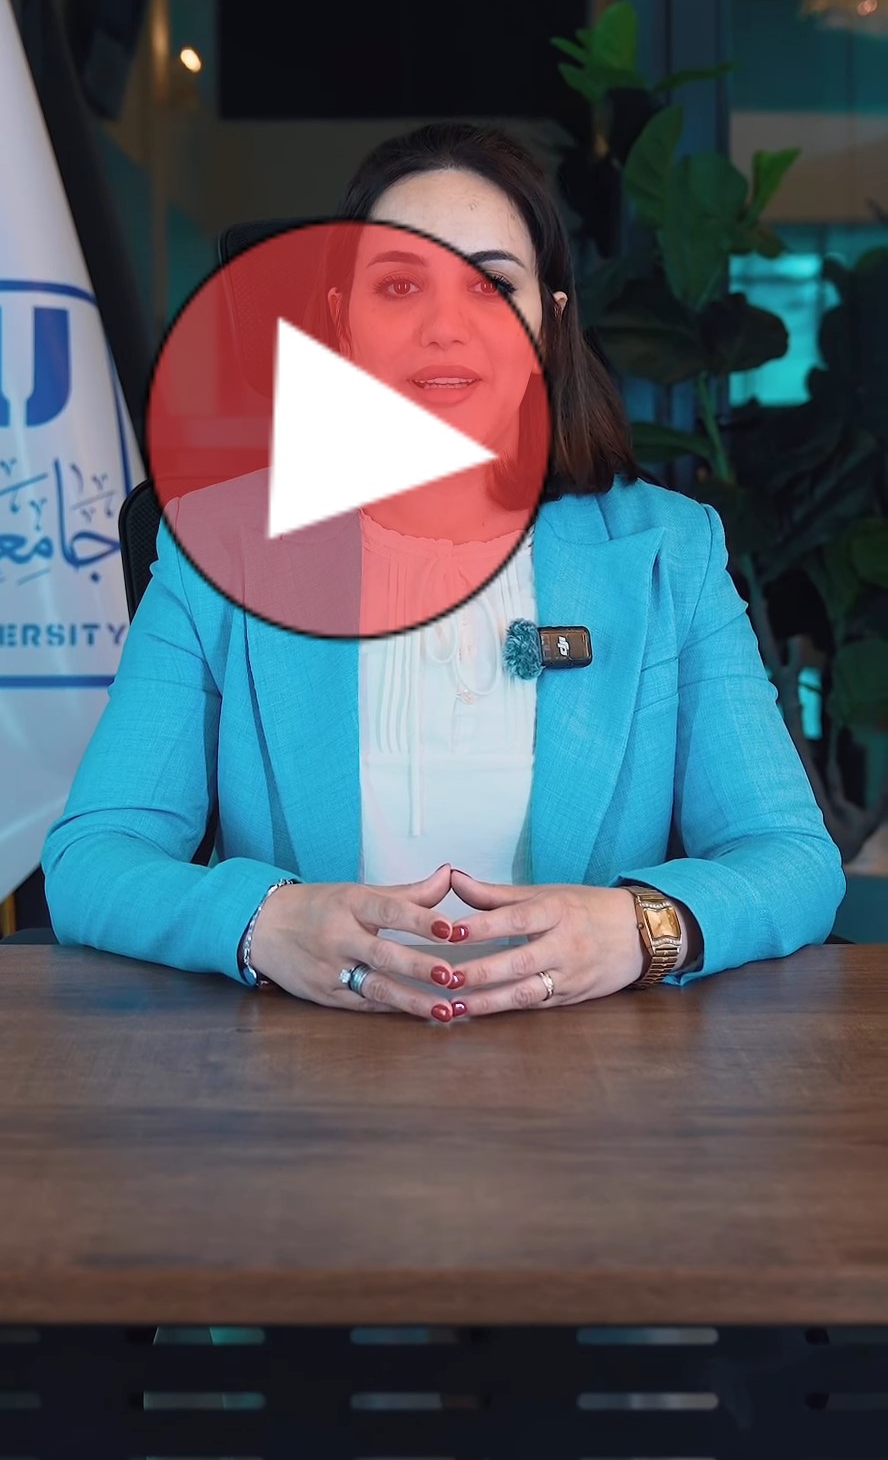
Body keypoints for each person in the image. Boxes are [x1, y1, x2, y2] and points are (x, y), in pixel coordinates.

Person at [41, 120, 846, 1020]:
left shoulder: (668, 552)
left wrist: (638, 928)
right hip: (304, 1065)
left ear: (549, 323)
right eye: (399, 285)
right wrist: (264, 923)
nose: (445, 326)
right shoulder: (216, 548)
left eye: (492, 284)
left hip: (592, 1072)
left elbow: (791, 858)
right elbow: (92, 860)